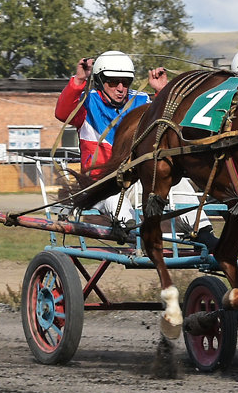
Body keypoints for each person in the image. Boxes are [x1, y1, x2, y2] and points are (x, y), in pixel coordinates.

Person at [55, 50, 220, 251]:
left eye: (126, 82)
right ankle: (133, 234)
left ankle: (204, 233)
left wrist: (162, 91)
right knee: (113, 197)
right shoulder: (86, 102)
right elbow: (62, 113)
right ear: (99, 80)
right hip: (102, 184)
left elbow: (165, 124)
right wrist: (79, 79)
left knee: (180, 185)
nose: (120, 88)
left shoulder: (142, 101)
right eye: (113, 82)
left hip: (138, 179)